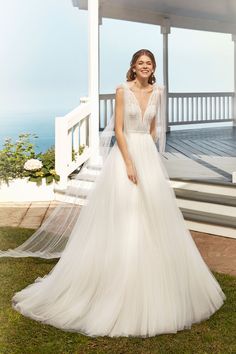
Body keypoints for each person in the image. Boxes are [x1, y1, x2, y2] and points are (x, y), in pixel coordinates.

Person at [11, 49, 226, 338]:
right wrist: (128, 161)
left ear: (153, 67)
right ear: (133, 67)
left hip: (147, 156)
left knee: (155, 217)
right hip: (124, 158)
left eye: (149, 63)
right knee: (125, 214)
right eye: (141, 63)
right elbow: (119, 130)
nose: (145, 67)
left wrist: (148, 153)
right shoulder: (122, 90)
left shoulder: (158, 92)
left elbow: (153, 128)